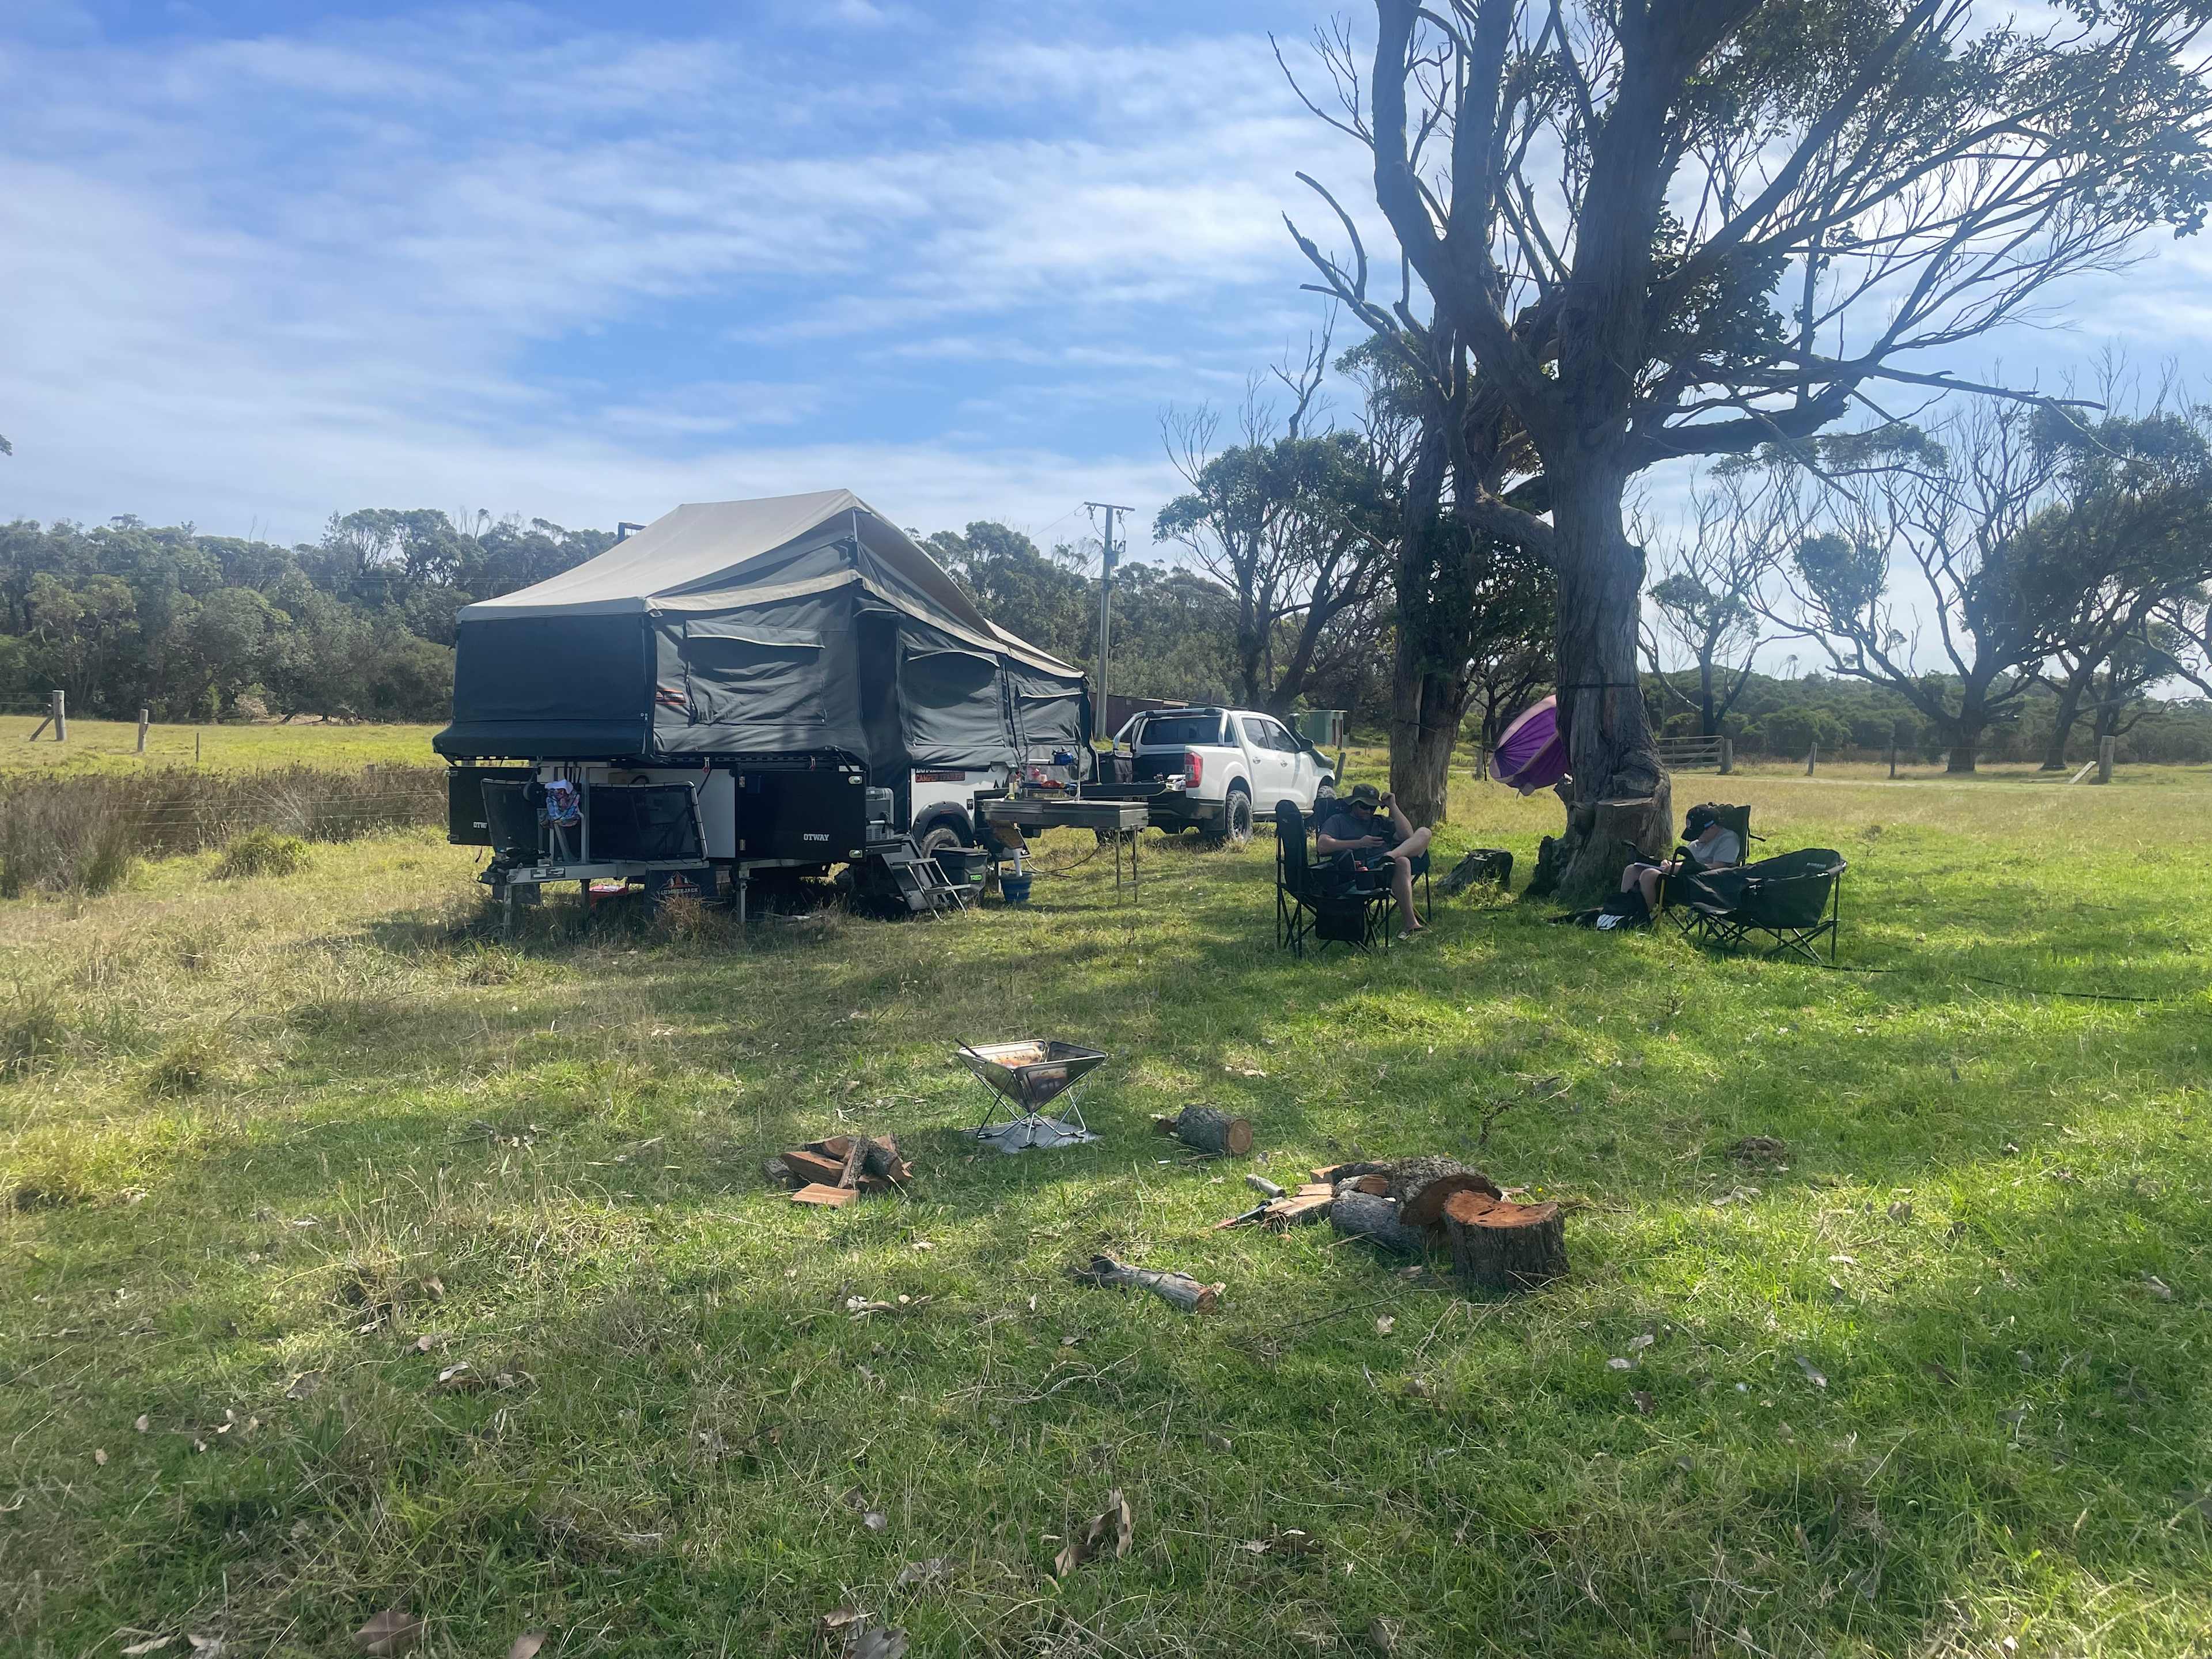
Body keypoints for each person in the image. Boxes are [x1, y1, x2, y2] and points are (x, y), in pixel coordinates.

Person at [1316, 782, 1434, 936]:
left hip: (1387, 863)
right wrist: (1359, 843)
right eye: (1365, 807)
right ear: (1354, 803)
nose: (1369, 811)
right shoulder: (1339, 820)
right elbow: (1322, 845)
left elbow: (1407, 837)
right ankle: (1411, 924)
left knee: (1424, 832)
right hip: (1363, 871)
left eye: (1373, 808)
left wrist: (1393, 806)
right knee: (1403, 862)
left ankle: (1391, 856)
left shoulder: (1380, 821)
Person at [1617, 804, 1743, 920]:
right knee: (1632, 870)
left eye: (1698, 833)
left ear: (1713, 828)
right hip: (1685, 879)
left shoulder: (1728, 840)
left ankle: (1641, 919)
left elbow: (1720, 868)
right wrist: (1670, 864)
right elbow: (1685, 860)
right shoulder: (1698, 843)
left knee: (1649, 874)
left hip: (1703, 887)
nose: (1697, 838)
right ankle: (1621, 912)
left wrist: (1683, 867)